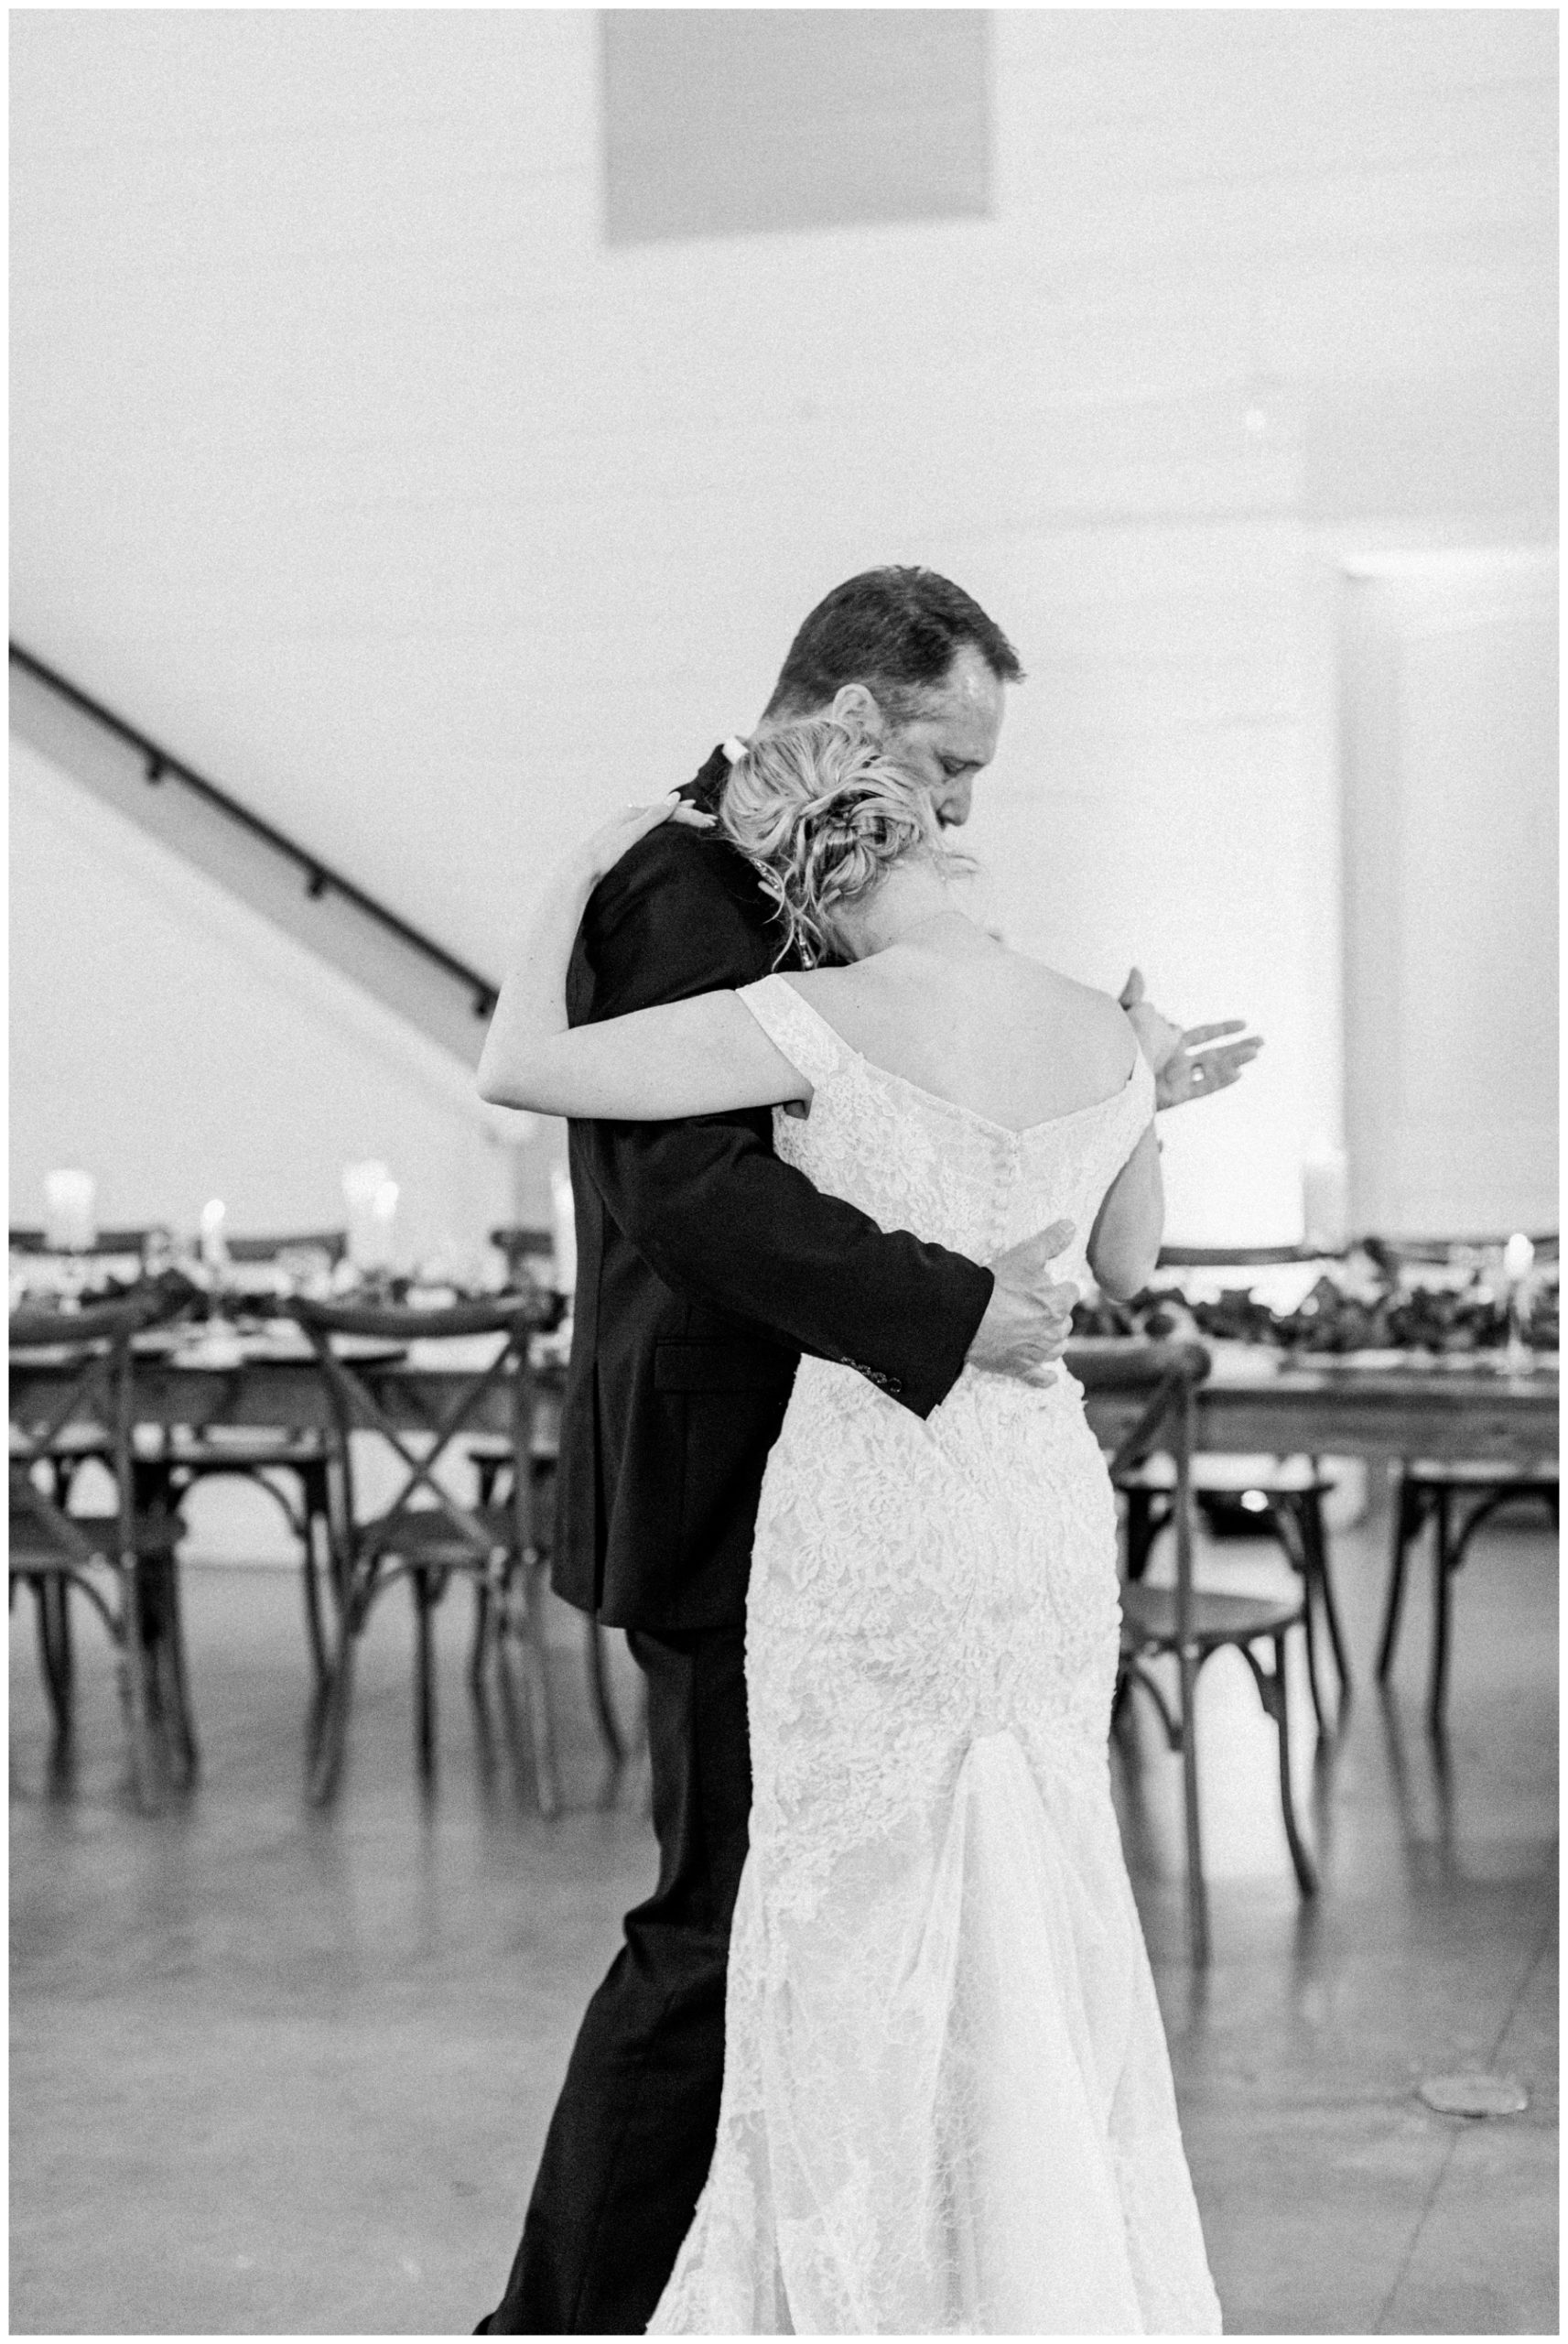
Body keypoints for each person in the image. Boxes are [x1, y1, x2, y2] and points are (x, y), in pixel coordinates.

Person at [475, 570, 1256, 2335]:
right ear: (844, 717)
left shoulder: (832, 899)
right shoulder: (674, 884)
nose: (965, 808)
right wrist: (952, 1301)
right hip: (741, 1477)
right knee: (715, 1943)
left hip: (877, 1505)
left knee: (838, 1935)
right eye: (945, 758)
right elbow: (692, 1194)